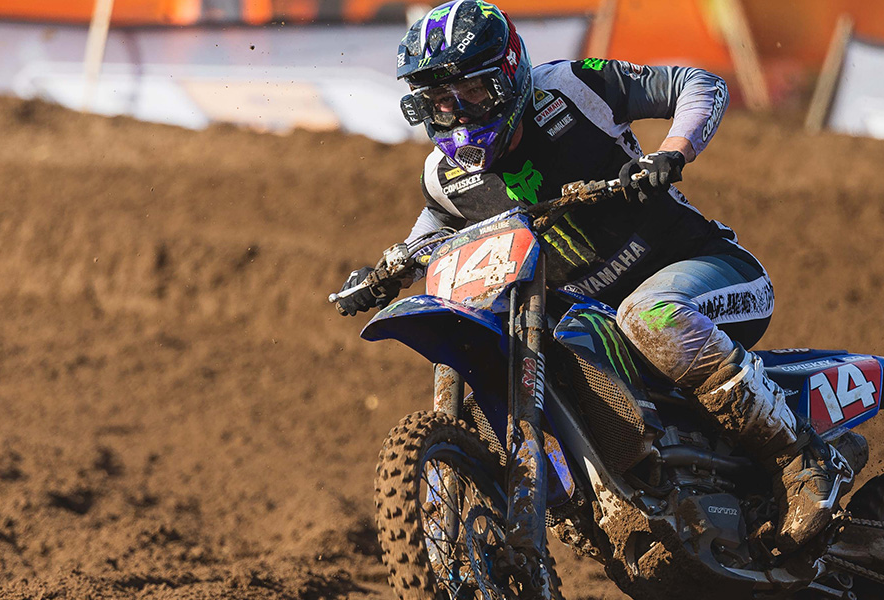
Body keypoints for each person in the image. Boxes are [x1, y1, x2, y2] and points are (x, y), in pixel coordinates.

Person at [332, 0, 845, 549]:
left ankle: (802, 458)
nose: (458, 111)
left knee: (648, 315)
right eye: (440, 99)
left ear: (508, 75)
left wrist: (670, 154)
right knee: (513, 333)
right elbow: (433, 231)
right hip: (598, 317)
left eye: (473, 91)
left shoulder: (573, 89)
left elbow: (697, 83)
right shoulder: (444, 177)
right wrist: (389, 269)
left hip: (706, 270)